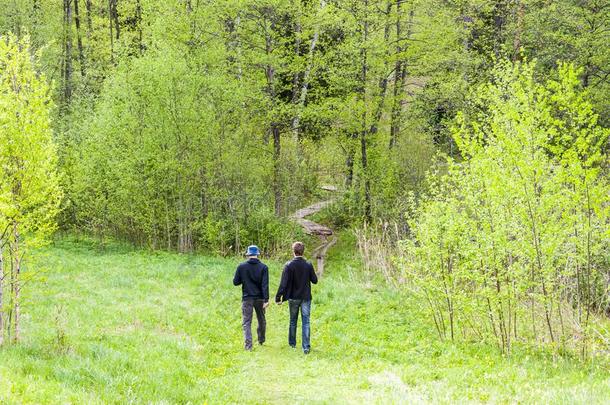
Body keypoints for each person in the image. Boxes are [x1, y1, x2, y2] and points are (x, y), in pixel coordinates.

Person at [275, 241, 318, 354]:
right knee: (306, 322)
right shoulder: (308, 265)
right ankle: (306, 347)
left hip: (293, 297)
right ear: (303, 252)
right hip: (306, 297)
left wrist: (278, 297)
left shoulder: (289, 265)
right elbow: (315, 280)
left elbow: (283, 283)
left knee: (293, 320)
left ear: (293, 251)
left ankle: (292, 344)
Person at [233, 245, 269, 351]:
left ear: (248, 254)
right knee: (261, 319)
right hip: (260, 298)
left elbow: (236, 282)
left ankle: (248, 346)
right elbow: (265, 285)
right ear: (257, 254)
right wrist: (266, 299)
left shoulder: (241, 267)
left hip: (247, 298)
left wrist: (243, 278)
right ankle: (261, 340)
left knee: (247, 322)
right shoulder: (264, 267)